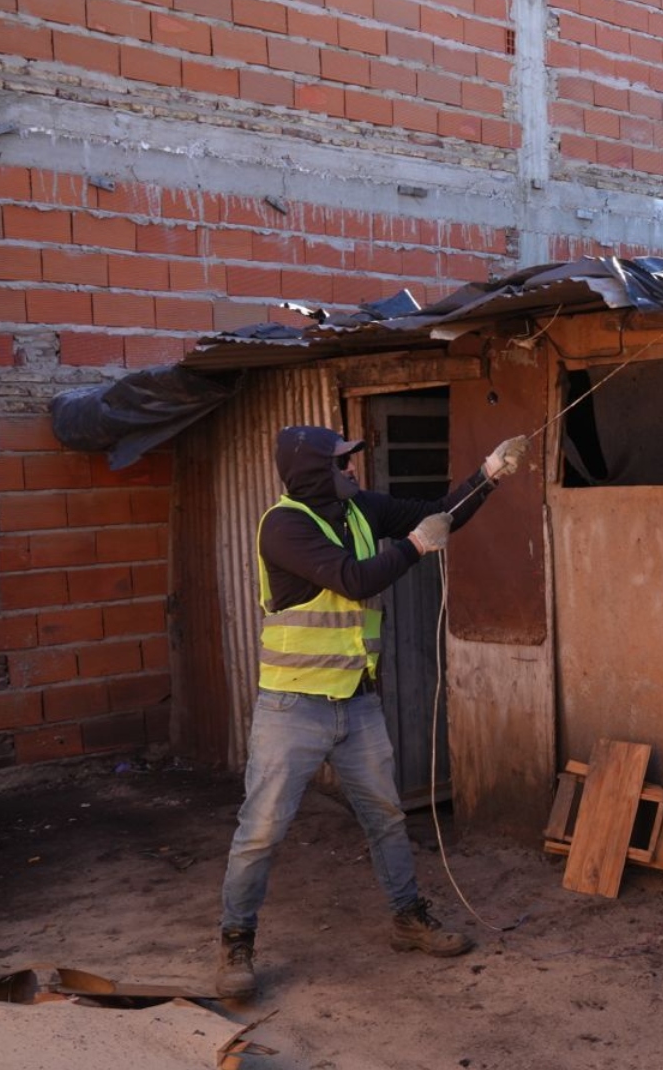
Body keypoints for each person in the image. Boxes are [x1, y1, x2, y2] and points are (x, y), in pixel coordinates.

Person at [215, 424, 530, 999]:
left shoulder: (360, 508)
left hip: (357, 702)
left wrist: (489, 474)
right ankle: (237, 941)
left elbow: (439, 512)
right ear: (313, 472)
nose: (353, 468)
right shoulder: (283, 526)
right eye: (342, 462)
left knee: (386, 817)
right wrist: (416, 546)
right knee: (261, 831)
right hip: (293, 707)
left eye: (351, 460)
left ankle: (408, 919)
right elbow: (354, 580)